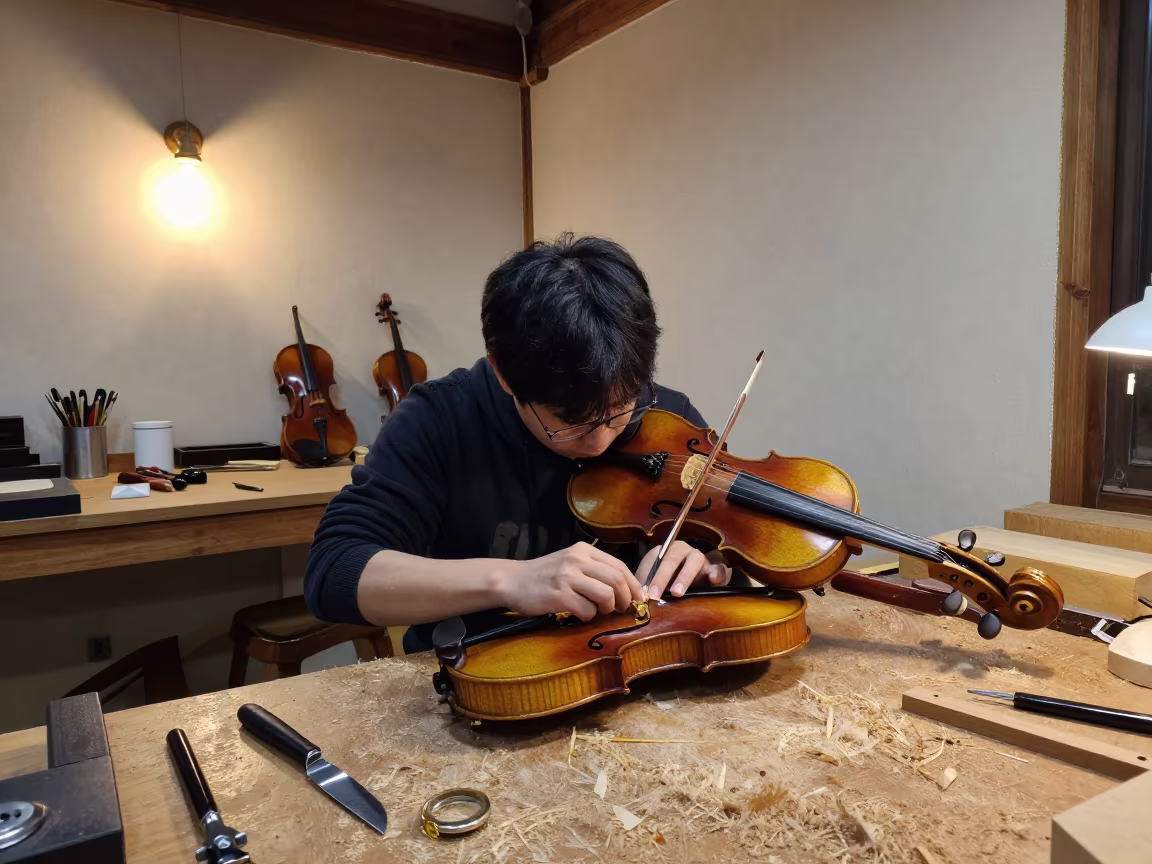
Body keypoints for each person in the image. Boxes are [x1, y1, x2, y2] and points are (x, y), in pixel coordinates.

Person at [305, 234, 731, 653]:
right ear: (504, 374)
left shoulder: (668, 421)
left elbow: (734, 552)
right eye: (571, 425)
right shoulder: (440, 418)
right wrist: (511, 581)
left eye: (621, 412)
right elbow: (336, 571)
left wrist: (706, 562)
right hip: (484, 681)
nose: (601, 443)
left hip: (639, 669)